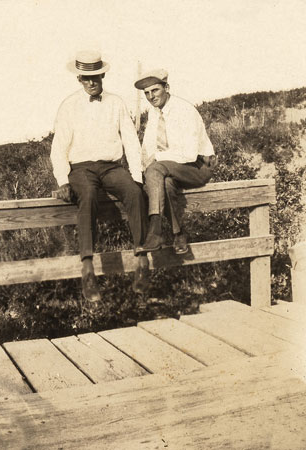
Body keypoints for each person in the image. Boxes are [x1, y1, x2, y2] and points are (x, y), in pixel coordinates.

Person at [50, 51, 149, 307]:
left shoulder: (116, 103)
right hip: (81, 169)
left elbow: (130, 141)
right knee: (89, 196)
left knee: (135, 192)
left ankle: (142, 259)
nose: (91, 82)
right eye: (86, 78)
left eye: (95, 76)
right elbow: (58, 148)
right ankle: (88, 269)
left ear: (103, 74)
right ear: (79, 79)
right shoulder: (69, 106)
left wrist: (137, 176)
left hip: (111, 167)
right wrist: (63, 180)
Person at [134, 69, 216, 254]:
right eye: (146, 93)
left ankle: (155, 232)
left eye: (154, 90)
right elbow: (147, 148)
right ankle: (179, 234)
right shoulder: (155, 113)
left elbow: (188, 154)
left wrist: (155, 161)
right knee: (166, 183)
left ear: (167, 87)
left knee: (155, 168)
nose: (150, 96)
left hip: (199, 166)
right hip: (172, 170)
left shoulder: (184, 110)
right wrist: (143, 170)